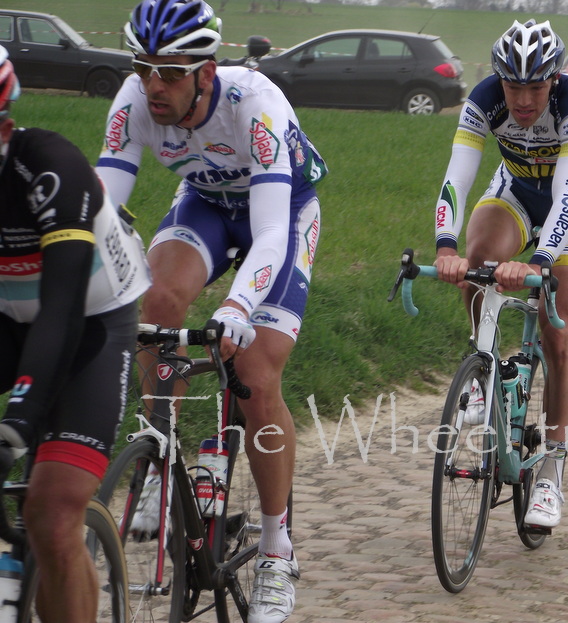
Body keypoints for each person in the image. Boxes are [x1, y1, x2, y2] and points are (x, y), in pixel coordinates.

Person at [95, 1, 326, 621]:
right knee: (154, 302)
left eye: (170, 72)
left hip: (281, 214)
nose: (154, 85)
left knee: (254, 376)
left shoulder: (256, 105)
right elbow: (100, 208)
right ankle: (161, 456)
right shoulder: (135, 98)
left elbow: (272, 232)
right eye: (144, 68)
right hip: (203, 202)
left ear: (207, 70)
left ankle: (278, 551)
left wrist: (237, 305)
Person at [434, 19, 568, 530]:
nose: (523, 99)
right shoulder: (484, 97)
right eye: (514, 86)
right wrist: (445, 245)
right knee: (477, 262)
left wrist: (539, 262)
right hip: (515, 192)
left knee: (558, 333)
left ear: (554, 79)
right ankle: (484, 374)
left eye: (535, 86)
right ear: (498, 79)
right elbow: (458, 174)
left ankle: (551, 469)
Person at [0, 46, 151, 621]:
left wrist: (17, 423)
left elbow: (61, 311)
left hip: (91, 325)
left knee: (52, 512)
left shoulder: (49, 168)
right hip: (9, 321)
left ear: (6, 127)